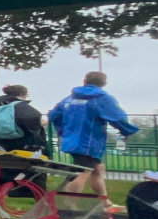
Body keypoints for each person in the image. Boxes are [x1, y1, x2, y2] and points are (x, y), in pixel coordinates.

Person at [50, 71, 138, 201]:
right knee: (81, 173)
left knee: (97, 169)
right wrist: (126, 130)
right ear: (104, 83)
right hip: (89, 142)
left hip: (72, 140)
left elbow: (54, 115)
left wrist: (63, 130)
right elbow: (117, 117)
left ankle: (104, 201)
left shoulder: (70, 98)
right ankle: (68, 205)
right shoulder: (101, 98)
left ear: (84, 80)